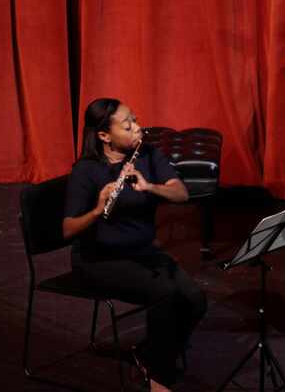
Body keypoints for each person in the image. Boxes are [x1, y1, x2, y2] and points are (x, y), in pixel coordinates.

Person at [63, 98, 207, 392]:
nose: (137, 128)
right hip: (98, 260)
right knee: (164, 293)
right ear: (104, 136)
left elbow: (181, 194)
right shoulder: (86, 171)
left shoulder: (147, 155)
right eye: (127, 125)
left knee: (195, 299)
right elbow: (68, 230)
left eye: (136, 120)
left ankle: (150, 354)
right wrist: (97, 208)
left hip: (141, 253)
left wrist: (150, 186)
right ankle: (159, 379)